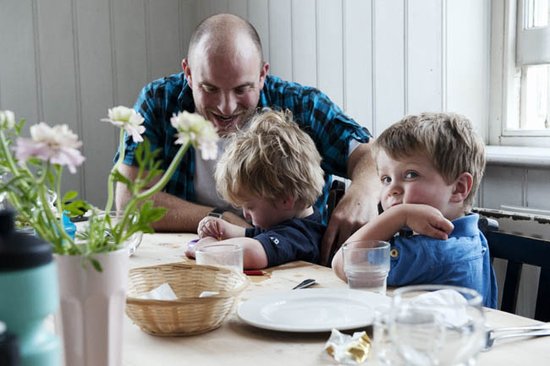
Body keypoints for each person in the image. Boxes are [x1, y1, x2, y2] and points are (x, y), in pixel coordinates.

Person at [114, 13, 381, 265]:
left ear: (263, 74)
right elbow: (129, 199)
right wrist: (219, 218)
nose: (226, 107)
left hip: (290, 266)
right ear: (189, 73)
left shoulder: (302, 106)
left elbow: (372, 154)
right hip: (190, 263)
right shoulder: (159, 102)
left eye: (242, 89)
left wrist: (364, 192)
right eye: (210, 88)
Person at [331, 112, 498, 307]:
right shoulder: (471, 237)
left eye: (410, 174)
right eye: (386, 179)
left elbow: (343, 264)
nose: (392, 189)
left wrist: (398, 215)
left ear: (459, 188)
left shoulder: (433, 250)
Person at [184, 109, 325, 269]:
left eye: (250, 207)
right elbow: (254, 235)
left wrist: (204, 249)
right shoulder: (287, 219)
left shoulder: (301, 235)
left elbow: (252, 253)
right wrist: (224, 228)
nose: (245, 215)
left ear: (285, 200)